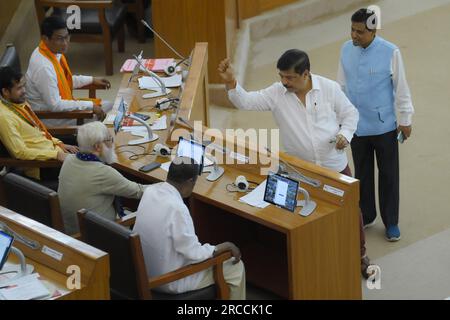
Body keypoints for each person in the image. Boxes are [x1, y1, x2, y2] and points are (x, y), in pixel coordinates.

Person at [219, 50, 373, 279]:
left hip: (334, 166)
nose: (284, 82)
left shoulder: (329, 88)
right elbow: (245, 101)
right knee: (302, 218)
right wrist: (231, 81)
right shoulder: (277, 93)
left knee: (351, 214)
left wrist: (346, 134)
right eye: (281, 76)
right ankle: (316, 262)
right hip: (298, 170)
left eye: (289, 77)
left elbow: (350, 114)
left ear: (306, 73)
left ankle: (359, 256)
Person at [338, 8, 415, 242]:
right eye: (352, 29)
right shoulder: (345, 50)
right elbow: (340, 87)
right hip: (357, 127)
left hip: (384, 127)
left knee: (389, 175)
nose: (354, 35)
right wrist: (339, 120)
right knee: (362, 173)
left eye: (360, 32)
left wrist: (405, 120)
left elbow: (401, 88)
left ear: (373, 31)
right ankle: (367, 214)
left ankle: (391, 222)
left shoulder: (390, 52)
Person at [133, 157, 246, 299]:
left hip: (144, 271)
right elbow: (194, 254)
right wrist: (224, 246)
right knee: (235, 267)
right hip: (168, 281)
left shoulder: (151, 191)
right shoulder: (177, 208)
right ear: (191, 181)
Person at [58, 121, 146, 235]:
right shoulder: (103, 173)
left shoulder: (69, 160)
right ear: (98, 147)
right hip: (98, 236)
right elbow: (139, 191)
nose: (112, 144)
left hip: (71, 231)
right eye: (109, 140)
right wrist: (168, 185)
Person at [25, 15, 113, 127]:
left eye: (67, 37)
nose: (65, 43)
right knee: (109, 117)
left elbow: (65, 80)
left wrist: (92, 80)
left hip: (59, 111)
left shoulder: (48, 50)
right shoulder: (44, 67)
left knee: (112, 107)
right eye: (60, 39)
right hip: (51, 118)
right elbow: (55, 105)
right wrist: (90, 106)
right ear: (45, 39)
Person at [0, 66, 76, 182]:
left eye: (23, 86)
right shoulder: (4, 117)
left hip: (53, 150)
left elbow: (38, 131)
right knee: (93, 170)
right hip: (44, 166)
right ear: (5, 92)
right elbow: (20, 152)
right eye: (19, 88)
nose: (24, 91)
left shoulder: (17, 102)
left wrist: (59, 144)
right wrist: (56, 155)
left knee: (92, 148)